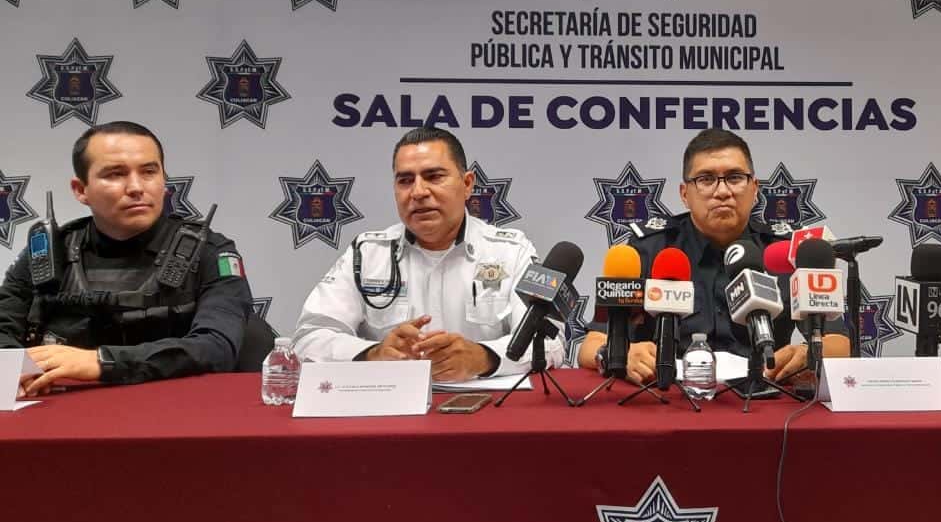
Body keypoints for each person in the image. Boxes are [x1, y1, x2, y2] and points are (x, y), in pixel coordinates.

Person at [578, 128, 850, 384]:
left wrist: (810, 353)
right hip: (670, 397)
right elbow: (590, 345)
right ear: (685, 194)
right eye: (706, 179)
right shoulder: (648, 249)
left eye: (735, 177)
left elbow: (840, 343)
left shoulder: (786, 252)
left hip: (764, 396)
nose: (722, 192)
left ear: (755, 188)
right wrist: (616, 354)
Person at [0, 121, 253, 395]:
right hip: (64, 408)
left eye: (149, 172)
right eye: (115, 174)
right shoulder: (47, 254)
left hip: (177, 406)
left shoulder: (210, 252)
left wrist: (102, 362)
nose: (136, 187)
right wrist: (20, 372)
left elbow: (217, 346)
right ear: (81, 190)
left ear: (164, 182)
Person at [293, 127, 564, 379]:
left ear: (467, 184)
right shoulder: (367, 253)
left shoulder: (512, 251)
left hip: (485, 407)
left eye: (434, 177)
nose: (418, 192)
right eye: (405, 180)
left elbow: (550, 340)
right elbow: (310, 337)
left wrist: (483, 357)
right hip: (390, 405)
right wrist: (373, 355)